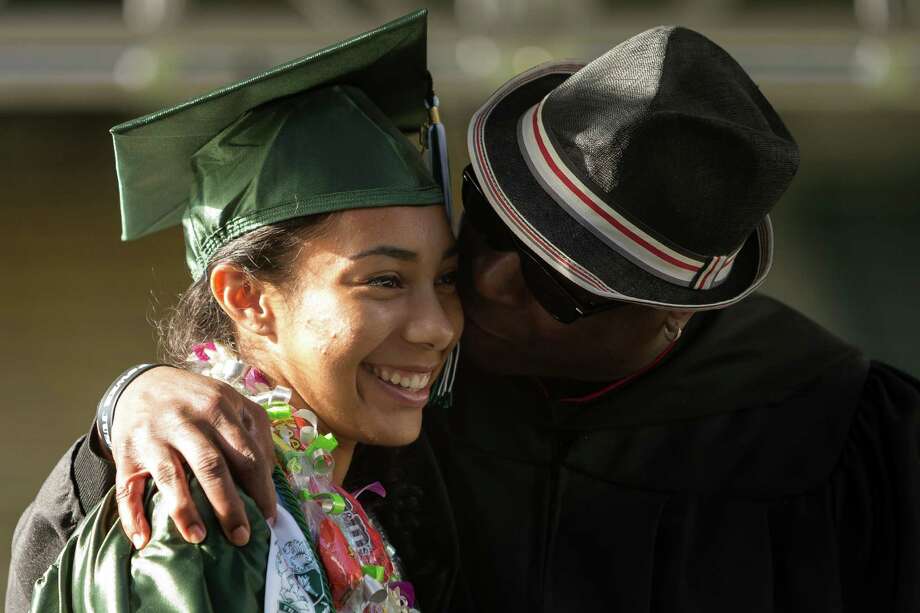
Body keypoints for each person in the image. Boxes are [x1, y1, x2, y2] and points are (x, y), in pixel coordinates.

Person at [11, 24, 920, 613]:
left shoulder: (846, 449)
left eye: (553, 286)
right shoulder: (365, 411)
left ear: (665, 322)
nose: (476, 293)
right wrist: (134, 401)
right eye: (483, 226)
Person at [19, 10, 464, 613]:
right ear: (248, 298)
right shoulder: (201, 512)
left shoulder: (358, 502)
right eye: (384, 280)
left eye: (446, 279)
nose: (437, 325)